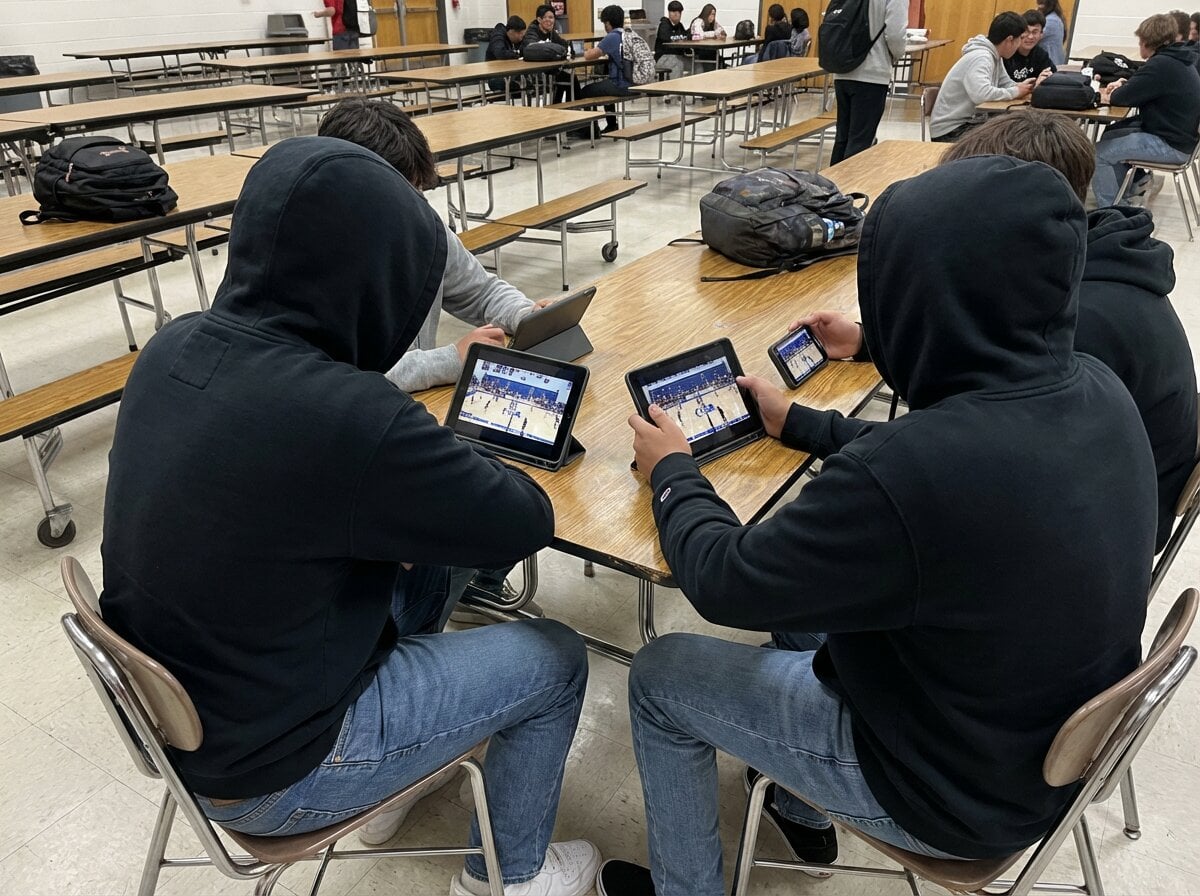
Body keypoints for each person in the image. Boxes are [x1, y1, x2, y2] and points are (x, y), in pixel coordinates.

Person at [596, 155, 1155, 896]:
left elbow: (726, 583)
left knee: (662, 675)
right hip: (1035, 746)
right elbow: (951, 482)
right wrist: (802, 423)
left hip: (945, 792)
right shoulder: (1096, 388)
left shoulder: (914, 470)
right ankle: (802, 807)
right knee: (809, 617)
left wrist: (673, 474)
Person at [97, 137, 601, 896]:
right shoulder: (349, 413)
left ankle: (416, 761)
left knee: (431, 564)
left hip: (190, 724)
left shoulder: (173, 346)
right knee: (557, 657)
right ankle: (509, 878)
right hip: (281, 771)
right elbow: (523, 521)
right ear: (379, 277)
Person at [801, 108, 1198, 555]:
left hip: (1077, 540)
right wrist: (865, 343)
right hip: (1105, 508)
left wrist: (814, 429)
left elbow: (945, 456)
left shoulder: (1084, 325)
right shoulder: (1087, 269)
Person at [318, 98, 550, 612]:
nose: (417, 210)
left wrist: (525, 315)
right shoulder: (316, 262)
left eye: (418, 195)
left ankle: (474, 574)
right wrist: (449, 358)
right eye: (404, 197)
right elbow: (334, 381)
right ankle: (436, 587)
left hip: (403, 417)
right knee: (489, 490)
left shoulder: (419, 226)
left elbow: (482, 290)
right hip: (362, 442)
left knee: (517, 438)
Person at [1092, 13, 1200, 208]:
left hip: (1170, 145)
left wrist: (1116, 90)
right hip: (1181, 139)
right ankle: (1124, 193)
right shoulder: (1178, 59)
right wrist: (1126, 84)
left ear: (1146, 41)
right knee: (1111, 134)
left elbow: (1120, 98)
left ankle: (1111, 212)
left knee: (1098, 154)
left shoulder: (1161, 64)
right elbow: (1141, 87)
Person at [928, 12, 1037, 142]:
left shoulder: (995, 55)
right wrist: (1016, 91)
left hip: (969, 123)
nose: (1019, 44)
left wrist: (1024, 86)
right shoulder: (981, 57)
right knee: (1011, 138)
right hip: (951, 130)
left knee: (1014, 131)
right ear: (1009, 40)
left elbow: (1005, 83)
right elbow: (981, 95)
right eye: (1020, 39)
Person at [828, 0, 906, 164]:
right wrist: (896, 56)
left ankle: (831, 187)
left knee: (842, 139)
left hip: (843, 69)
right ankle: (851, 188)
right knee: (860, 142)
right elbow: (895, 34)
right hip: (872, 72)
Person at [579, 5, 637, 134]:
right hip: (636, 82)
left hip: (622, 85)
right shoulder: (630, 34)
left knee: (585, 91)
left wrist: (584, 51)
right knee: (605, 85)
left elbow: (589, 56)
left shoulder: (612, 36)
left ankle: (591, 129)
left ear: (607, 23)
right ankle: (611, 124)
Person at [522, 4, 582, 104]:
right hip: (536, 72)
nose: (550, 21)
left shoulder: (550, 31)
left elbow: (562, 44)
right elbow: (531, 46)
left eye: (552, 17)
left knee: (569, 76)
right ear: (539, 19)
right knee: (567, 78)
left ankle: (567, 107)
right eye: (546, 18)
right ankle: (572, 107)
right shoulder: (532, 31)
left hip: (550, 69)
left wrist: (568, 48)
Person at [1004, 9, 1057, 82]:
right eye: (1026, 31)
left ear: (1041, 35)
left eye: (1035, 32)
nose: (1030, 37)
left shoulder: (1041, 55)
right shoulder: (1007, 53)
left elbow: (1053, 76)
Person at [655, 0, 691, 82]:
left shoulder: (680, 26)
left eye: (679, 11)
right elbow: (665, 38)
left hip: (680, 56)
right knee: (677, 64)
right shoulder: (664, 24)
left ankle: (698, 92)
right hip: (664, 56)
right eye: (673, 11)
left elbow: (686, 37)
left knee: (697, 64)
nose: (676, 14)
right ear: (669, 12)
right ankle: (674, 93)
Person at [689, 3, 726, 68]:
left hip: (709, 49)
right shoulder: (698, 21)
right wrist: (714, 34)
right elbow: (699, 35)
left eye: (714, 15)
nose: (712, 17)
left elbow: (722, 31)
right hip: (698, 50)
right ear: (706, 14)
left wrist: (720, 34)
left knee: (717, 55)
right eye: (711, 14)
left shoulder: (713, 23)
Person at [1036, 0, 1068, 65]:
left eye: (1041, 4)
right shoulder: (1055, 17)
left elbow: (1034, 37)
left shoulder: (1051, 21)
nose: (1038, 7)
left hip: (1051, 62)